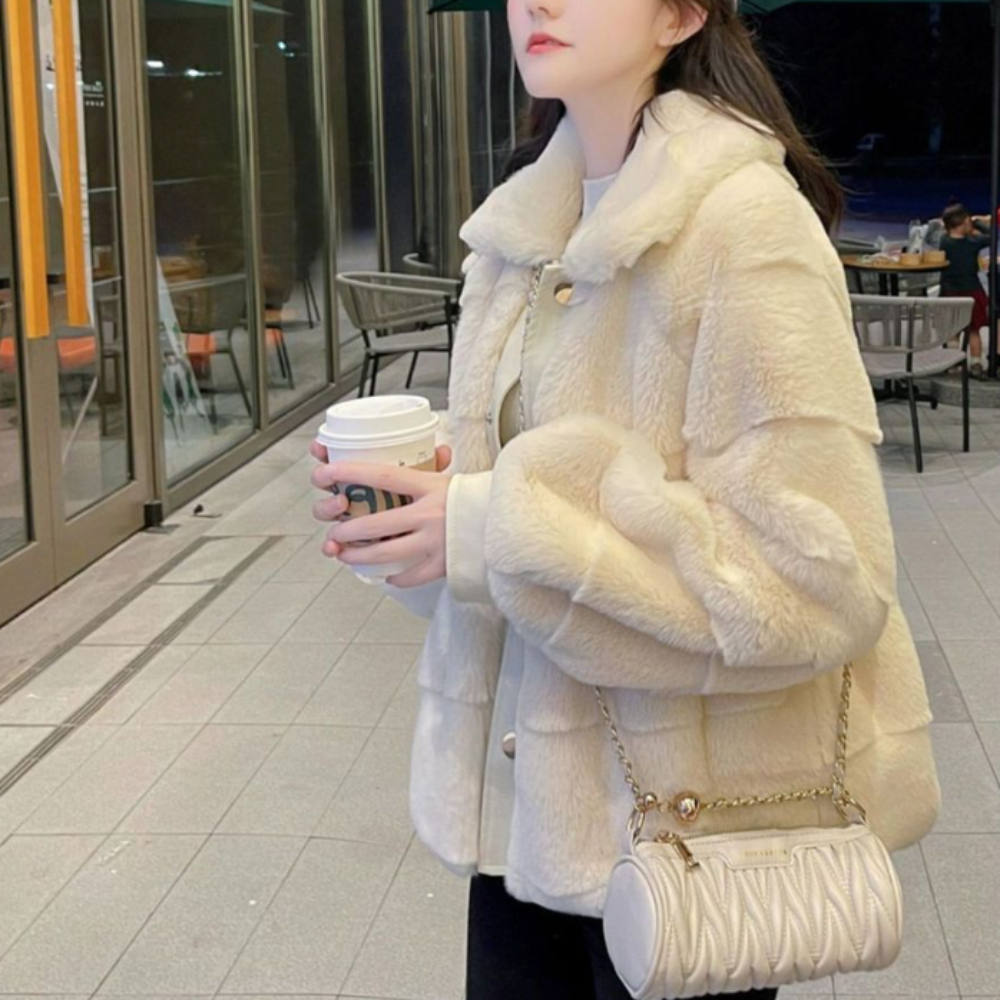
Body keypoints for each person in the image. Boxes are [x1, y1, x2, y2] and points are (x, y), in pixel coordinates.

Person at [311, 0, 941, 996]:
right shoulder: (514, 241)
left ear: (680, 15)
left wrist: (490, 527)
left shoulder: (744, 228)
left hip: (693, 829)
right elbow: (508, 565)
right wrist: (424, 537)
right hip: (531, 823)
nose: (537, 3)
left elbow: (820, 583)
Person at [939, 202, 993, 377]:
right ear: (965, 223)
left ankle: (953, 362)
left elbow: (932, 233)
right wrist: (977, 222)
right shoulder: (973, 242)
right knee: (974, 331)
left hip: (949, 291)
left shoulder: (944, 242)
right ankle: (976, 363)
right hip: (972, 291)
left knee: (952, 331)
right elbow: (992, 236)